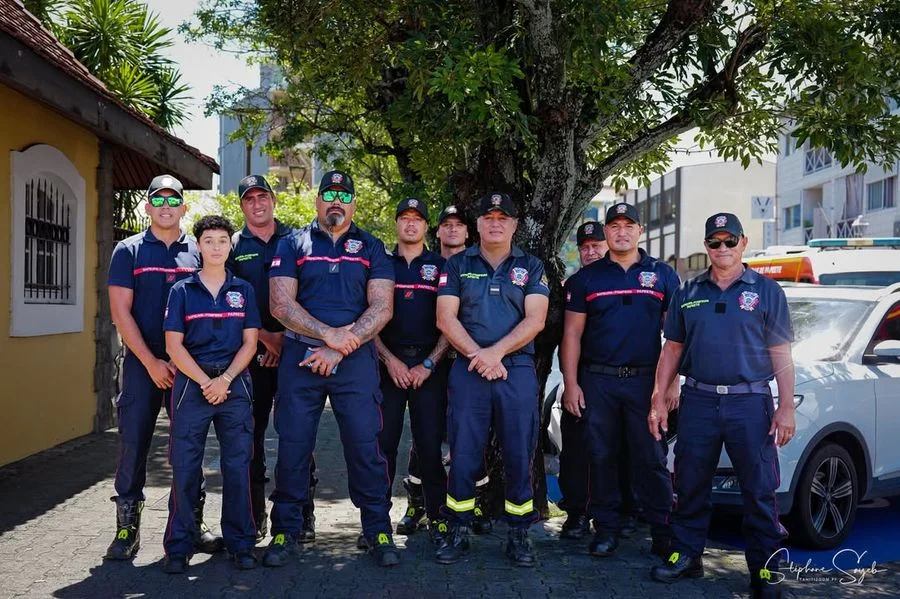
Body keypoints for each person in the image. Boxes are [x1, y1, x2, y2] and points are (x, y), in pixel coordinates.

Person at [648, 213, 796, 599]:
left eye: (730, 241)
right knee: (691, 482)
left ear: (744, 243)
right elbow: (673, 349)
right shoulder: (688, 290)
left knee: (759, 489)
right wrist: (660, 399)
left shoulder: (766, 291)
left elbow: (780, 351)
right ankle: (686, 555)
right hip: (698, 399)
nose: (723, 248)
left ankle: (765, 570)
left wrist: (786, 407)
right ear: (707, 247)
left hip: (750, 402)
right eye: (715, 242)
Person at [264, 170, 399, 567]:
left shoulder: (372, 247)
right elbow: (280, 305)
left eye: (344, 195)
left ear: (353, 203)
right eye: (328, 194)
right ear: (317, 200)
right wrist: (328, 336)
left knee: (364, 447)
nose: (335, 201)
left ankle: (377, 530)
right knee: (292, 447)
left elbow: (382, 307)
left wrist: (341, 348)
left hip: (354, 362)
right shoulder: (292, 244)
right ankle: (286, 529)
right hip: (301, 360)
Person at [105, 174, 222, 560]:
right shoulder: (129, 250)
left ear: (184, 209)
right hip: (143, 362)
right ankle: (127, 530)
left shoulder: (199, 249)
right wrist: (152, 362)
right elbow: (120, 313)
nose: (167, 207)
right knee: (133, 444)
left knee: (189, 448)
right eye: (160, 200)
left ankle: (192, 525)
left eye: (174, 201)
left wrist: (179, 359)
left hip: (188, 363)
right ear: (148, 206)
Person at [435, 192, 549, 567]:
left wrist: (495, 354)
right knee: (464, 452)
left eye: (503, 218)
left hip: (514, 369)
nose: (495, 223)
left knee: (520, 451)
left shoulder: (531, 266)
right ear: (478, 225)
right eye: (488, 217)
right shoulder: (456, 265)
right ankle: (458, 529)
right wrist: (479, 356)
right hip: (469, 368)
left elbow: (536, 320)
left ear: (515, 225)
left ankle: (519, 534)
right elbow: (445, 319)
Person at [561, 203, 678, 559]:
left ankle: (662, 530)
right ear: (606, 232)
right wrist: (570, 383)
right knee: (602, 456)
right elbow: (572, 335)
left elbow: (676, 336)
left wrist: (671, 384)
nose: (621, 232)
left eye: (629, 225)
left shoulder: (662, 275)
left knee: (651, 457)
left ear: (640, 231)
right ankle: (606, 529)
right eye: (615, 226)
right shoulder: (587, 279)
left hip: (646, 382)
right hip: (598, 381)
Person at [162, 215, 261, 573]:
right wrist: (207, 381)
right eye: (209, 240)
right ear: (199, 246)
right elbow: (174, 346)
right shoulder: (182, 291)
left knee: (237, 466)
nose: (216, 246)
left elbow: (250, 342)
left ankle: (240, 542)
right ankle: (179, 544)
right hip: (193, 385)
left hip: (235, 386)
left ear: (230, 245)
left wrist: (227, 379)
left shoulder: (244, 290)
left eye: (222, 240)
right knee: (186, 467)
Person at [227, 174, 318, 543]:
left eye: (262, 196)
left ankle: (302, 516)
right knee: (251, 437)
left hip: (295, 351)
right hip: (251, 355)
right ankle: (254, 519)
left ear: (273, 200)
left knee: (299, 436)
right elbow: (230, 301)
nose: (257, 204)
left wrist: (285, 339)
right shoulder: (233, 246)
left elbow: (308, 295)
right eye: (249, 199)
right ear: (242, 206)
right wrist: (265, 340)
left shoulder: (298, 240)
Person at [398, 205, 493, 536]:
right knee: (426, 436)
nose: (452, 230)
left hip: (467, 362)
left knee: (467, 435)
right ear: (436, 231)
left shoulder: (476, 266)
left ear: (468, 232)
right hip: (433, 363)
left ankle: (474, 500)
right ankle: (418, 503)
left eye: (459, 225)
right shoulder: (433, 266)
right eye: (446, 225)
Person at [376, 198, 449, 544]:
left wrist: (429, 364)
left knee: (430, 448)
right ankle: (376, 524)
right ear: (396, 224)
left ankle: (438, 520)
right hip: (386, 367)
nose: (410, 224)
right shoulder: (380, 264)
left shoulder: (441, 265)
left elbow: (451, 323)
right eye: (404, 218)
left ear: (426, 227)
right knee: (382, 446)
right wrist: (389, 360)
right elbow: (368, 319)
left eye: (417, 219)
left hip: (428, 369)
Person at [557, 220, 608, 540]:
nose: (590, 252)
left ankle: (614, 515)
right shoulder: (574, 284)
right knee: (575, 450)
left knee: (612, 452)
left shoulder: (630, 277)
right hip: (583, 375)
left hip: (620, 378)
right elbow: (567, 337)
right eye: (585, 247)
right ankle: (576, 513)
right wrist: (570, 382)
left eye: (596, 246)